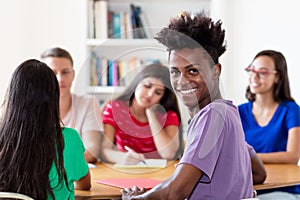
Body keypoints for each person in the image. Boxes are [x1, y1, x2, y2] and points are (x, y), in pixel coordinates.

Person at [121, 12, 266, 200]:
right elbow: (259, 173)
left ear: (216, 71)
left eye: (193, 71)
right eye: (174, 72)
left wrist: (136, 198)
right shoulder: (228, 113)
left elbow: (175, 193)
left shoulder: (213, 116)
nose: (182, 81)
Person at [0, 59, 90, 199]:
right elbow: (84, 184)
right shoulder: (68, 139)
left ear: (12, 96)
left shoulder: (2, 139)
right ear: (53, 98)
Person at [238, 50, 300, 199]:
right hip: (248, 189)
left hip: (285, 190)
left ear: (277, 77)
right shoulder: (238, 112)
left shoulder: (291, 110)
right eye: (251, 70)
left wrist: (252, 157)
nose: (254, 76)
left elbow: (292, 156)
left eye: (263, 72)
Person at [101, 63, 183, 164]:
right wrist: (121, 158)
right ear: (137, 82)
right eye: (147, 86)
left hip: (159, 173)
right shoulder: (115, 108)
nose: (150, 94)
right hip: (127, 170)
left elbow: (168, 153)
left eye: (158, 93)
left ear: (163, 97)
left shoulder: (168, 115)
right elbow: (104, 150)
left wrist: (151, 115)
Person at [41, 47, 103, 163]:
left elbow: (92, 150)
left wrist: (57, 166)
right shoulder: (32, 107)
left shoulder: (88, 103)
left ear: (73, 74)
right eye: (53, 73)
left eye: (65, 72)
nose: (60, 79)